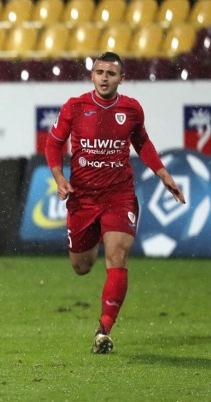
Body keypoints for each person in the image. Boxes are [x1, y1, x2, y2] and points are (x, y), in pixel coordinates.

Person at [45, 52, 186, 354]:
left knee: (117, 254)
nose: (104, 78)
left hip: (118, 196)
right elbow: (53, 143)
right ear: (92, 75)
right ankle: (96, 233)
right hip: (82, 198)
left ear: (122, 78)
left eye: (111, 73)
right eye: (99, 72)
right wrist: (59, 177)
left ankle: (104, 329)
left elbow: (142, 143)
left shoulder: (131, 109)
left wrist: (163, 174)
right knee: (81, 267)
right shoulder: (75, 107)